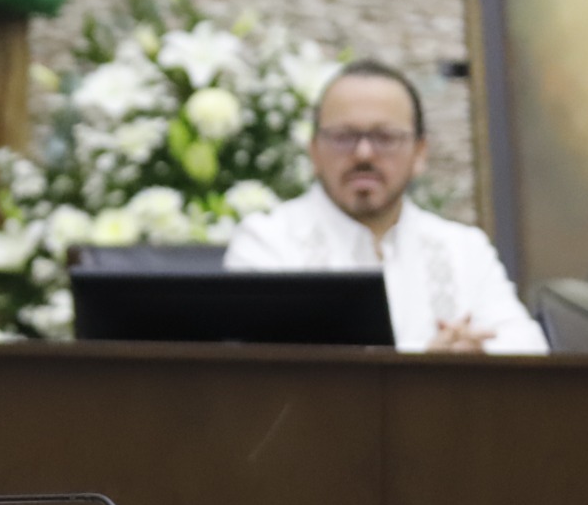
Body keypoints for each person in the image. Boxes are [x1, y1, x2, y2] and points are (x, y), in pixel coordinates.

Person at [223, 61, 545, 354]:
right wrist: (427, 366)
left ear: (420, 152)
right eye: (344, 136)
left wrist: (473, 353)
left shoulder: (464, 249)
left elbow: (530, 349)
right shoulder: (266, 242)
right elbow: (255, 370)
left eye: (385, 137)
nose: (364, 153)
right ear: (314, 151)